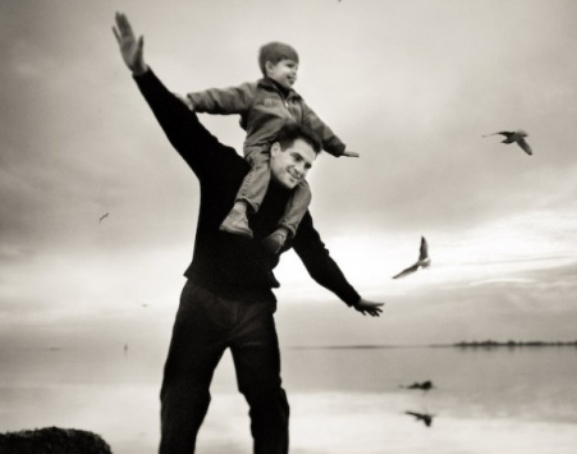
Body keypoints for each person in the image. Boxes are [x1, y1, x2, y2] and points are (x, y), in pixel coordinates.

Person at [112, 13, 384, 454]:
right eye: (295, 158)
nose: (300, 169)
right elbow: (182, 128)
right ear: (274, 149)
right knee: (182, 396)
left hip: (255, 311)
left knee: (269, 403)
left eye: (308, 165)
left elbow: (317, 258)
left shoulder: (296, 210)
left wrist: (352, 298)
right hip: (202, 302)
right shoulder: (226, 170)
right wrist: (142, 73)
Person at [176, 40, 359, 254]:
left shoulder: (297, 102)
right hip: (260, 147)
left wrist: (338, 147)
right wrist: (192, 101)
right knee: (260, 169)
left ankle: (282, 232)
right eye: (289, 66)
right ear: (270, 67)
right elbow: (225, 98)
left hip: (283, 155)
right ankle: (238, 213)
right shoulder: (256, 92)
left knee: (304, 190)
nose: (294, 72)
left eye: (297, 68)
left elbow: (317, 125)